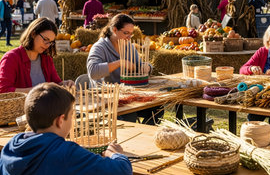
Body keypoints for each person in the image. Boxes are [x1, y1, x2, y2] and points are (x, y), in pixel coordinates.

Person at [0, 82, 132, 175]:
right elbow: (122, 170)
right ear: (60, 120)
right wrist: (115, 155)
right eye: (72, 116)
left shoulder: (11, 147)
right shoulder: (66, 153)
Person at [87, 14, 163, 125]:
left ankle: (143, 135)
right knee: (129, 114)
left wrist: (146, 67)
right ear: (114, 30)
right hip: (107, 99)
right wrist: (120, 63)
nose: (128, 37)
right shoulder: (100, 47)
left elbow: (138, 66)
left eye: (131, 34)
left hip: (127, 96)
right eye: (126, 33)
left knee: (157, 108)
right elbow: (93, 72)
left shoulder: (129, 47)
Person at [0, 18, 74, 93]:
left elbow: (56, 83)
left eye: (51, 42)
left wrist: (64, 84)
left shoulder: (46, 58)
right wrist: (39, 89)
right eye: (45, 39)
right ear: (33, 34)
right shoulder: (11, 58)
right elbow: (3, 90)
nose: (48, 45)